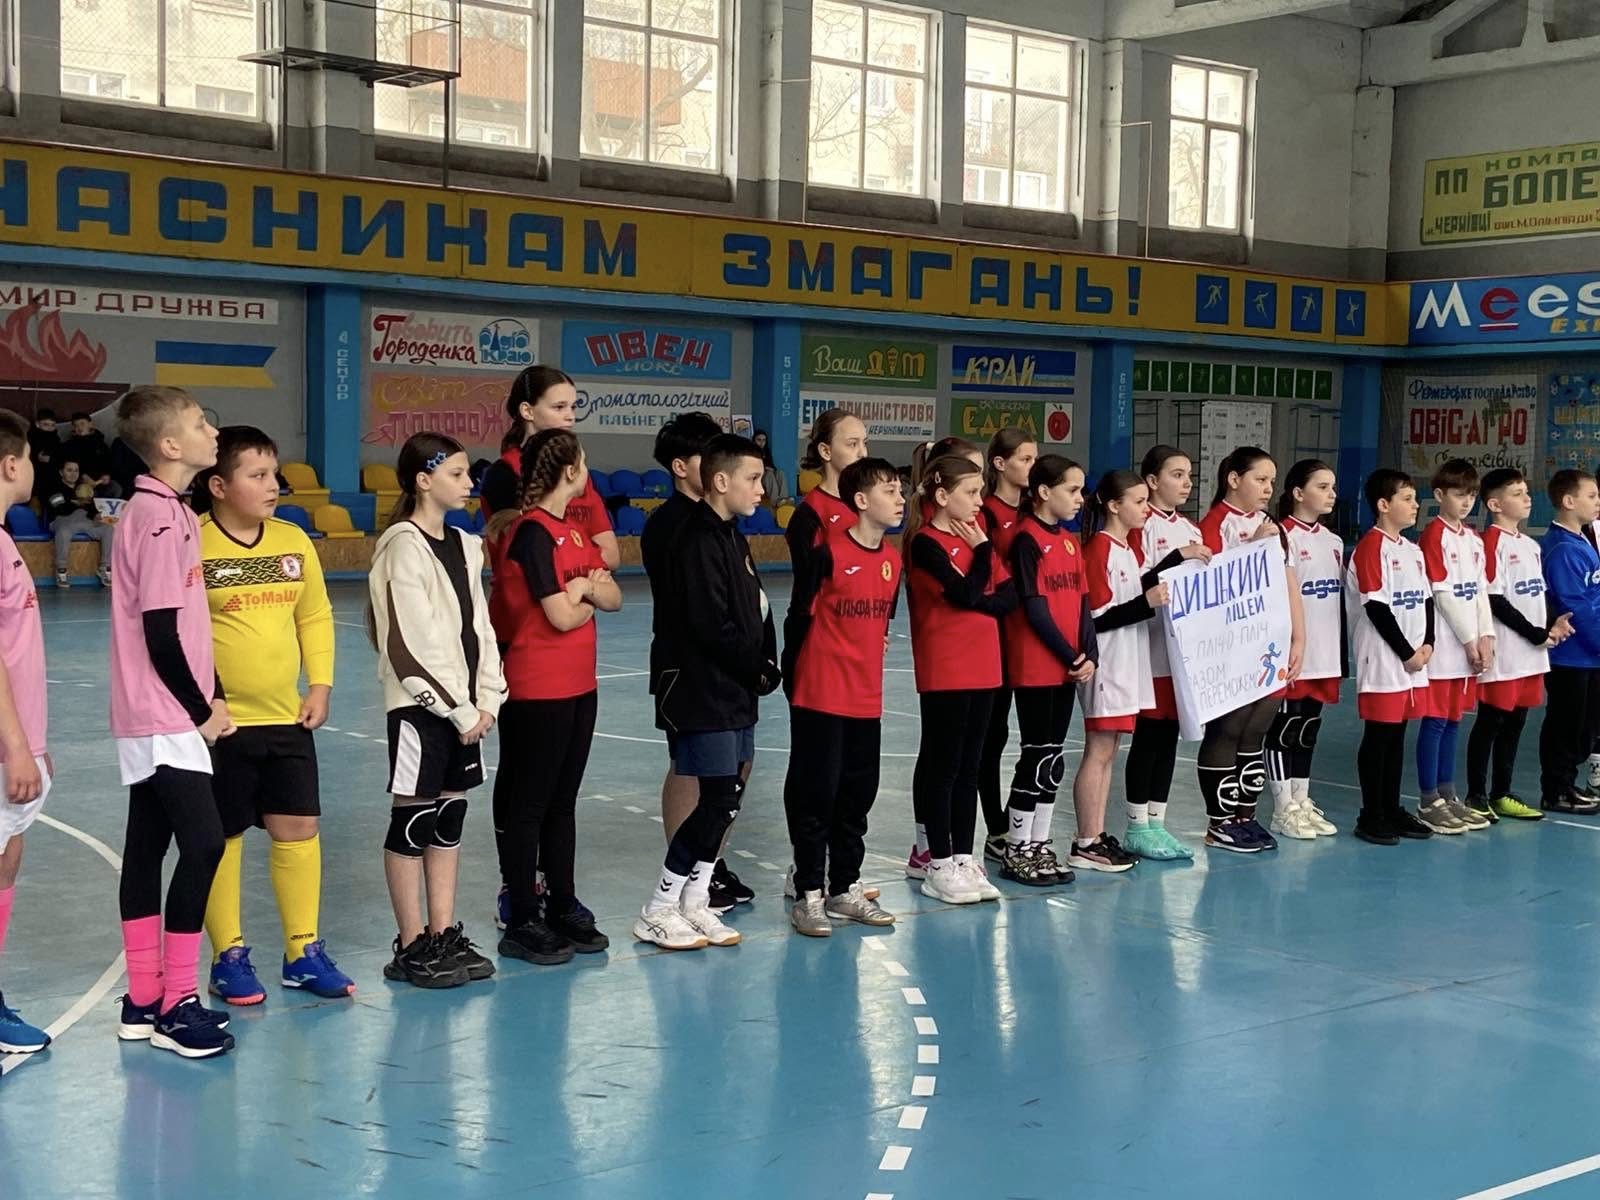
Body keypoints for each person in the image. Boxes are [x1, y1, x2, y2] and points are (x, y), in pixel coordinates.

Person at [190, 426, 354, 1005]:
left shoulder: (292, 540)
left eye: (274, 474)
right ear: (218, 485)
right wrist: (202, 705)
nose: (272, 486)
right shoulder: (193, 542)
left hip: (287, 720)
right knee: (224, 835)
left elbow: (315, 615)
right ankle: (228, 955)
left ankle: (302, 952)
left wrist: (321, 685)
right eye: (256, 475)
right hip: (221, 726)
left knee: (299, 829)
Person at [108, 386, 236, 1059]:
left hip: (159, 710)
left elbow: (188, 628)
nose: (211, 430)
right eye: (198, 423)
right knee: (205, 843)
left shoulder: (171, 510)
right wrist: (201, 708)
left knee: (147, 845)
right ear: (168, 445)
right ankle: (176, 1003)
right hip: (162, 714)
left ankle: (142, 998)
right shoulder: (158, 519)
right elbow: (161, 634)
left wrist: (216, 690)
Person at [368, 432, 507, 988]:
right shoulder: (402, 546)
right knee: (414, 820)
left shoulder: (467, 545)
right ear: (423, 481)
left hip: (467, 710)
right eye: (456, 473)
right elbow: (406, 646)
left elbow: (481, 629)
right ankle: (411, 944)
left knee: (449, 819)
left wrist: (489, 698)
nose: (469, 483)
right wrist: (458, 711)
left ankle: (443, 933)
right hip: (421, 709)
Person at [634, 434, 780, 951]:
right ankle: (659, 907)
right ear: (721, 481)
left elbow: (757, 608)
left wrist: (767, 662)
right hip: (701, 690)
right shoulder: (694, 539)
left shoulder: (732, 536)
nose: (761, 489)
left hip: (735, 691)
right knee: (714, 800)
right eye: (752, 479)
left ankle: (695, 901)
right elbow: (709, 624)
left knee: (728, 801)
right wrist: (753, 667)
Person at [484, 428, 620, 965]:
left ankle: (562, 903)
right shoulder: (532, 533)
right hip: (537, 688)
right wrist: (586, 591)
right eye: (583, 463)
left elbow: (613, 595)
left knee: (563, 802)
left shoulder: (576, 533)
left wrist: (585, 590)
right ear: (570, 471)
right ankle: (522, 916)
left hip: (580, 685)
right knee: (531, 805)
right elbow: (559, 616)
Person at [782, 456, 903, 935]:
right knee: (817, 796)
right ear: (861, 500)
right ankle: (808, 893)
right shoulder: (827, 555)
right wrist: (794, 681)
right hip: (821, 696)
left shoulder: (893, 561)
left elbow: (881, 626)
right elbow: (798, 618)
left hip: (866, 698)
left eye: (900, 491)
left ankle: (844, 888)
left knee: (857, 797)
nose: (900, 499)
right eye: (890, 491)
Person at [903, 453, 1015, 903]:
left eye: (980, 492)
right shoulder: (926, 543)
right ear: (942, 495)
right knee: (944, 768)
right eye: (970, 492)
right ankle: (938, 862)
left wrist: (979, 592)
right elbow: (966, 592)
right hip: (946, 669)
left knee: (971, 767)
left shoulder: (974, 536)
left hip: (986, 666)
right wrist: (984, 552)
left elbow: (1007, 597)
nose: (979, 501)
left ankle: (965, 858)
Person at [1195, 447, 1306, 853]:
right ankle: (1219, 822)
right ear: (1234, 479)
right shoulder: (1213, 525)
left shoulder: (1272, 526)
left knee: (1256, 731)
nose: (1268, 488)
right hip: (1229, 648)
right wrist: (1252, 549)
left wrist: (1298, 638)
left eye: (1272, 481)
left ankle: (1246, 817)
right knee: (1229, 728)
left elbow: (1289, 583)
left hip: (1268, 644)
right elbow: (1209, 587)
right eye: (1260, 479)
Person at [999, 454, 1093, 885]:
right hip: (1038, 666)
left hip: (1067, 667)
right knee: (1036, 756)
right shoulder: (1026, 540)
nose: (1080, 498)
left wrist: (1089, 652)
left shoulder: (1070, 541)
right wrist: (1070, 656)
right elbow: (1035, 610)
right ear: (1043, 492)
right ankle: (1016, 848)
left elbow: (1083, 603)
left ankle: (1038, 844)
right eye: (1072, 490)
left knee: (1053, 758)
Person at [1073, 470, 1173, 874]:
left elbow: (1132, 594)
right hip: (1108, 664)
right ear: (1114, 505)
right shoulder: (1099, 549)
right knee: (1098, 751)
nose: (1146, 508)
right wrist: (1147, 603)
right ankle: (1085, 841)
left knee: (1109, 751)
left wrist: (1175, 561)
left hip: (1127, 663)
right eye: (1138, 501)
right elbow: (1097, 617)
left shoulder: (1127, 548)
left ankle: (1096, 835)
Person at [1466, 468, 1572, 821]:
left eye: (1526, 492)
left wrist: (1553, 623)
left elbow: (1540, 593)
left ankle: (1502, 793)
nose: (1527, 498)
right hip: (1506, 652)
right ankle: (1476, 795)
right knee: (1491, 722)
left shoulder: (1530, 545)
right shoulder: (1490, 542)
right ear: (1495, 504)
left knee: (1516, 723)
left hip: (1532, 653)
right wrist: (1534, 633)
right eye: (1517, 493)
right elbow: (1494, 599)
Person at [1124, 446, 1212, 859]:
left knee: (1169, 739)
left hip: (1182, 657)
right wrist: (1177, 558)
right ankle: (1136, 824)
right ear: (1152, 481)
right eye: (1177, 474)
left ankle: (1158, 822)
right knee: (1147, 737)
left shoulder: (1192, 529)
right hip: (1150, 649)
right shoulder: (1140, 527)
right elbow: (1135, 584)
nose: (1186, 483)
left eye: (1189, 475)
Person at [0, 411, 52, 1054]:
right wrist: (16, 746)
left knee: (8, 860)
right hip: (4, 746)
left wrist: (33, 741)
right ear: (11, 463)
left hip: (18, 741)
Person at [1348, 469, 1437, 845]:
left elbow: (1427, 600)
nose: (1415, 505)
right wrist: (1406, 653)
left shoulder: (1412, 550)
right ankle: (1371, 814)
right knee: (1379, 735)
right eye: (1407, 499)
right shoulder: (1371, 547)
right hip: (1385, 658)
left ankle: (1391, 807)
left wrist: (1428, 643)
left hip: (1414, 659)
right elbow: (1376, 607)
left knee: (1398, 733)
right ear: (1383, 505)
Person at [1414, 460, 1495, 835]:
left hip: (1469, 647)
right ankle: (1428, 799)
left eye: (1471, 495)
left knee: (1453, 720)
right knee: (1434, 722)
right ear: (1439, 495)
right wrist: (1468, 640)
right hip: (1445, 646)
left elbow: (1480, 591)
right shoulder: (1433, 535)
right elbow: (1442, 594)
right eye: (1459, 494)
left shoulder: (1474, 540)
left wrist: (1486, 636)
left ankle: (1448, 794)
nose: (1466, 502)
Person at [1264, 459, 1343, 840]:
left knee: (1308, 728)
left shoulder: (1334, 542)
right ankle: (1282, 809)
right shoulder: (1280, 536)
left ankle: (1301, 800)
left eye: (1333, 487)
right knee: (1284, 729)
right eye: (1322, 487)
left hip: (1324, 654)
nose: (1331, 494)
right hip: (1291, 655)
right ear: (1298, 493)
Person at [480, 365, 619, 563]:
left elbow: (611, 556)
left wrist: (584, 576)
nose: (570, 416)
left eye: (573, 407)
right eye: (559, 407)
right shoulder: (503, 474)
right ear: (527, 411)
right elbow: (533, 558)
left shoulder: (579, 472)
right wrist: (587, 563)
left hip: (587, 584)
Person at [978, 427, 1038, 863]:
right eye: (1025, 459)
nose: (1032, 467)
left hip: (1033, 638)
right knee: (992, 736)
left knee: (1035, 739)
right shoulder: (985, 512)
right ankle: (996, 827)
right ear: (1000, 463)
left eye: (1035, 459)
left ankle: (1027, 826)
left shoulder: (1037, 510)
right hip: (997, 638)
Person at [1537, 469, 1600, 815]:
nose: (1597, 501)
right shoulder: (1562, 548)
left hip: (1589, 656)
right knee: (1566, 724)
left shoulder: (1581, 541)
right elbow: (1576, 607)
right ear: (1568, 501)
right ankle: (1556, 790)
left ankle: (1567, 783)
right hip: (1571, 656)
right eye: (1591, 496)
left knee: (1584, 726)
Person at [43, 458, 114, 588]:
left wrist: (96, 514)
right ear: (61, 472)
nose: (73, 473)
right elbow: (59, 509)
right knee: (63, 531)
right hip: (62, 520)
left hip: (84, 521)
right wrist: (76, 503)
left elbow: (91, 509)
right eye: (69, 470)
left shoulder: (83, 488)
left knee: (108, 529)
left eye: (76, 470)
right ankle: (61, 571)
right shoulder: (53, 487)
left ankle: (104, 568)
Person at [59, 411, 112, 487]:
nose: (79, 428)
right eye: (76, 425)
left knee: (116, 488)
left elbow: (108, 461)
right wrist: (82, 476)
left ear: (90, 424)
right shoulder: (69, 446)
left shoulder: (100, 443)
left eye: (82, 424)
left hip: (100, 481)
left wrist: (106, 474)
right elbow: (67, 467)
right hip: (80, 482)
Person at [27, 408, 58, 502]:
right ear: (37, 424)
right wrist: (36, 458)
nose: (50, 428)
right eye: (46, 424)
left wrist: (51, 459)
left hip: (53, 483)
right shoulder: (30, 439)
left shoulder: (56, 439)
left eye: (52, 425)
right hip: (33, 482)